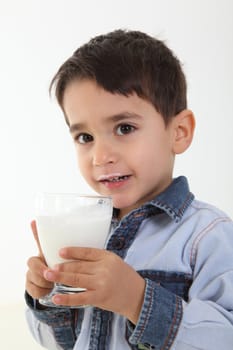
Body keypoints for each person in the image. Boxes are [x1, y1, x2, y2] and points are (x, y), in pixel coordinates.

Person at [25, 29, 233, 350]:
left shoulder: (208, 235)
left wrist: (137, 300)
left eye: (124, 128)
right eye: (85, 137)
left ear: (178, 132)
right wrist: (46, 297)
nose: (100, 157)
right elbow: (63, 343)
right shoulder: (84, 230)